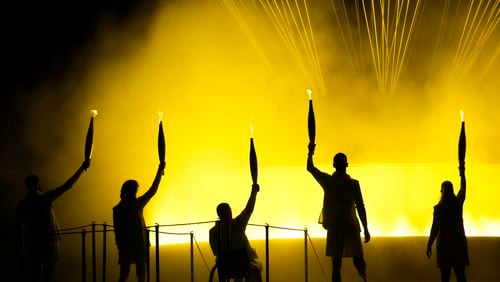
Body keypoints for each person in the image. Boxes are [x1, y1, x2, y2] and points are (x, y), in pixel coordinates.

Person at [16, 159, 90, 282]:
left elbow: (18, 228)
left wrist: (20, 251)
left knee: (35, 274)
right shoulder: (45, 198)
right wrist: (81, 168)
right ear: (38, 185)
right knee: (47, 274)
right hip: (49, 242)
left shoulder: (23, 205)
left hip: (34, 242)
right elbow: (68, 185)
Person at [307, 144, 370, 282]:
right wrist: (365, 228)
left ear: (334, 165)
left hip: (336, 227)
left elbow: (310, 168)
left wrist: (310, 152)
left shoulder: (329, 182)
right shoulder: (353, 184)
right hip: (350, 225)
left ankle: (363, 278)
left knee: (336, 265)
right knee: (358, 259)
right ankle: (365, 279)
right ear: (346, 165)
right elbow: (360, 207)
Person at [113, 161, 166, 282]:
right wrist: (159, 172)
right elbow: (152, 190)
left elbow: (117, 230)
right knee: (141, 273)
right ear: (134, 191)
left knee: (124, 274)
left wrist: (119, 246)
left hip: (124, 244)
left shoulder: (117, 209)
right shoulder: (136, 205)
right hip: (138, 243)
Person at [209, 184, 262, 282]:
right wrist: (254, 192)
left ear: (219, 215)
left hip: (225, 269)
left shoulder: (213, 232)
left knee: (232, 266)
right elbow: (249, 208)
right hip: (242, 267)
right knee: (258, 266)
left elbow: (215, 252)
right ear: (230, 212)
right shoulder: (239, 223)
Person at [426, 166, 469, 282]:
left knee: (445, 276)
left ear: (442, 192)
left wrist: (429, 244)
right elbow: (463, 188)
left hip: (444, 246)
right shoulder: (457, 204)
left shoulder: (439, 209)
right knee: (460, 274)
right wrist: (462, 173)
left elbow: (434, 228)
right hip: (458, 244)